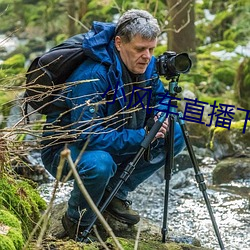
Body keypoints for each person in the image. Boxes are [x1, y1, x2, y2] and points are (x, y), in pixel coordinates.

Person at [41, 9, 185, 241]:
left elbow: (162, 98)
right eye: (140, 49)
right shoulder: (92, 75)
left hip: (116, 136)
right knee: (100, 164)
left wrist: (162, 114)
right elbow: (87, 135)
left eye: (151, 49)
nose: (147, 56)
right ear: (119, 43)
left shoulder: (146, 66)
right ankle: (76, 221)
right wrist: (142, 135)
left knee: (175, 133)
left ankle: (115, 193)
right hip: (66, 150)